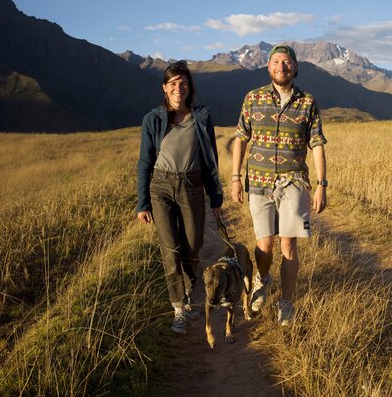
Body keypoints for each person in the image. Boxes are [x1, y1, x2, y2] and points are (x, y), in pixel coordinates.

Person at [231, 44, 327, 326]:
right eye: (276, 62)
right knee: (264, 244)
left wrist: (322, 185)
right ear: (268, 67)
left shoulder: (307, 101)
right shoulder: (253, 98)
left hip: (294, 182)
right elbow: (240, 138)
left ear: (295, 67)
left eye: (287, 62)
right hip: (258, 182)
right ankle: (263, 279)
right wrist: (235, 178)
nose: (281, 66)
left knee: (288, 244)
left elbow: (318, 145)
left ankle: (286, 302)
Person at [136, 60, 224, 334]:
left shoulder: (201, 118)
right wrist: (142, 202)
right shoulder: (153, 119)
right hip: (161, 187)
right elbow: (144, 162)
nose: (178, 88)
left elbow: (210, 161)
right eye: (173, 83)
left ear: (189, 88)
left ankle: (188, 293)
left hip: (192, 186)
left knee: (193, 245)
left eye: (182, 83)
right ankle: (179, 308)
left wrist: (216, 197)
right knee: (170, 248)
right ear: (164, 87)